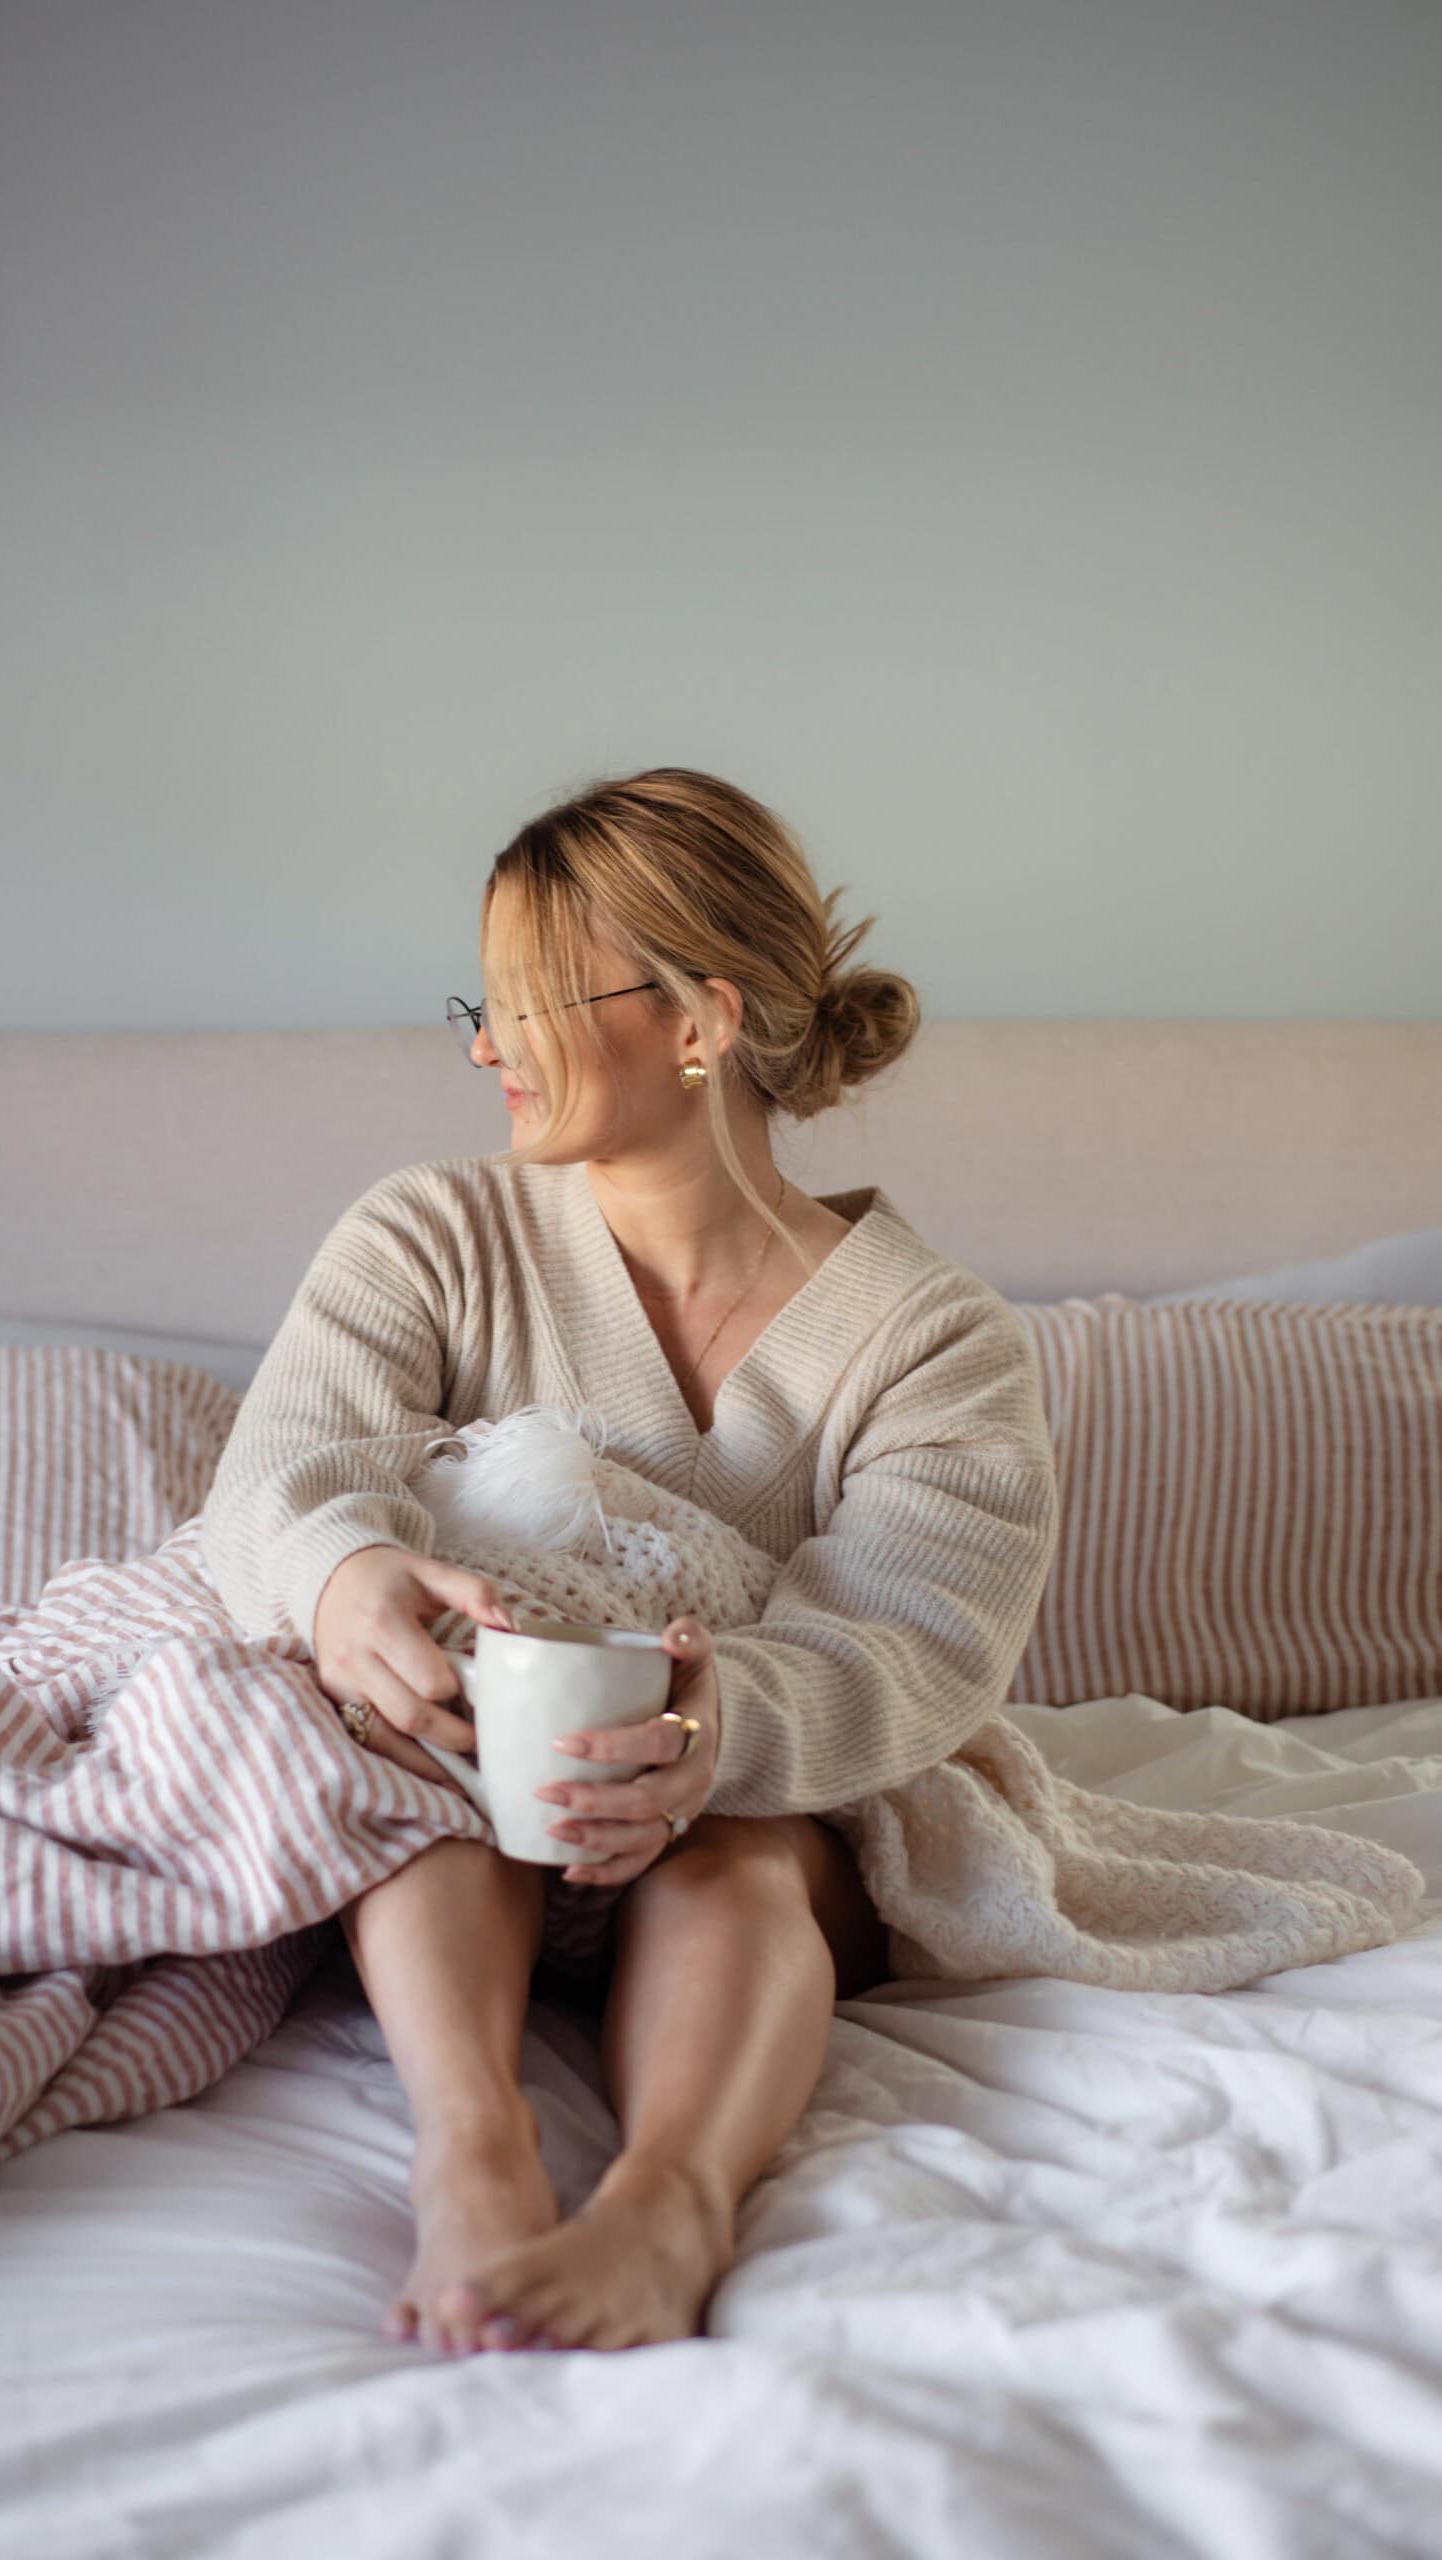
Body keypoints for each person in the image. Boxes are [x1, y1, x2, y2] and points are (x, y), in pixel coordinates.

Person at [199, 765, 1059, 2359]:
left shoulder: (933, 1338)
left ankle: (665, 2212)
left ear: (697, 1021)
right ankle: (474, 2154)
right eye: (482, 1003)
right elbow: (283, 1472)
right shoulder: (427, 1236)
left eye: (526, 1005)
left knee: (727, 1851)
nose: (481, 1049)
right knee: (422, 1780)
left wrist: (711, 1729)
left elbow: (918, 1637)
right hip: (463, 1793)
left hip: (764, 1801)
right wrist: (342, 1580)